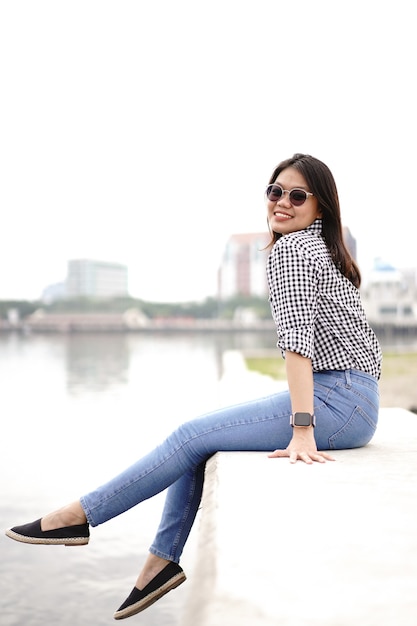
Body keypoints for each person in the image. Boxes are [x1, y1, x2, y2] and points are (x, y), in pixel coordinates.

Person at [5, 153, 382, 621]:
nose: (282, 202)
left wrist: (302, 428)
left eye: (297, 195)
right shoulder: (323, 249)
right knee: (201, 437)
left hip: (337, 400)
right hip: (355, 399)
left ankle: (77, 516)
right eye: (275, 191)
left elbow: (296, 346)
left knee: (189, 435)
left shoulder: (291, 251)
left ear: (320, 207)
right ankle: (160, 564)